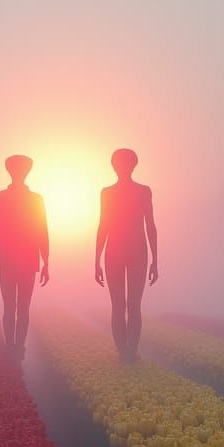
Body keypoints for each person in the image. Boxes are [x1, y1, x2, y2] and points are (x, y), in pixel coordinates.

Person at [0, 155, 50, 359]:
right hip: (16, 259)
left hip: (21, 259)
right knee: (14, 306)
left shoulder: (32, 199)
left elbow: (41, 230)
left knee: (17, 307)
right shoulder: (1, 198)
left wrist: (46, 261)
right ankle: (14, 346)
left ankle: (16, 346)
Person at [94, 147, 158, 362]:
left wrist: (156, 260)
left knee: (125, 305)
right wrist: (96, 260)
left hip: (126, 251)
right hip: (128, 250)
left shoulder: (125, 192)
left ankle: (127, 350)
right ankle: (126, 351)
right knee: (127, 305)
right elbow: (104, 226)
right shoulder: (137, 191)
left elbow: (150, 225)